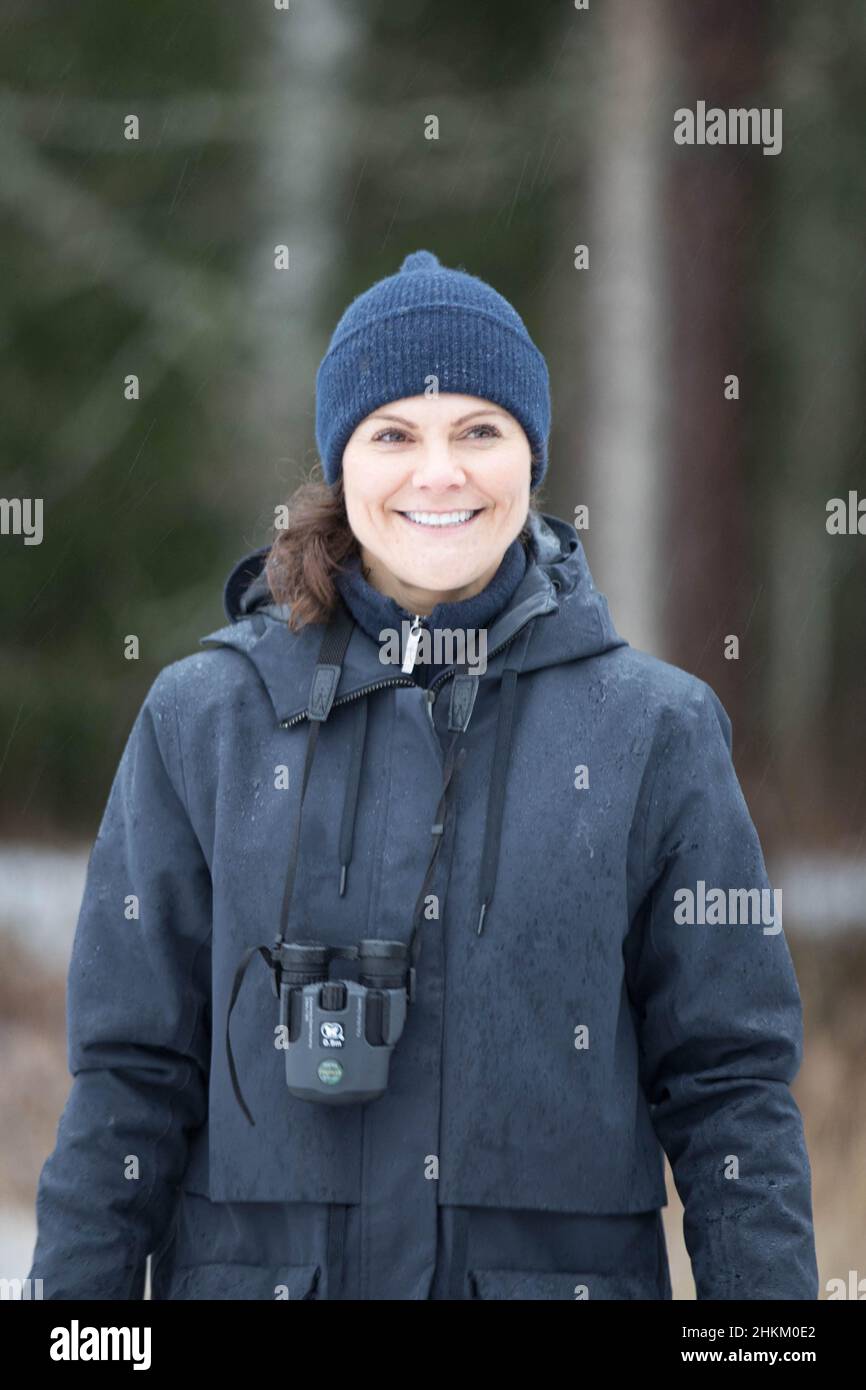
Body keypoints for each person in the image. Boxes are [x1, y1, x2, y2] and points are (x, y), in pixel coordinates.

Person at [28, 249, 818, 1300]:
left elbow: (729, 1090)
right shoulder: (202, 722)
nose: (436, 473)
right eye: (392, 433)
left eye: (477, 431)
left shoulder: (654, 733)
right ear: (340, 462)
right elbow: (128, 1081)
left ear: (528, 458)